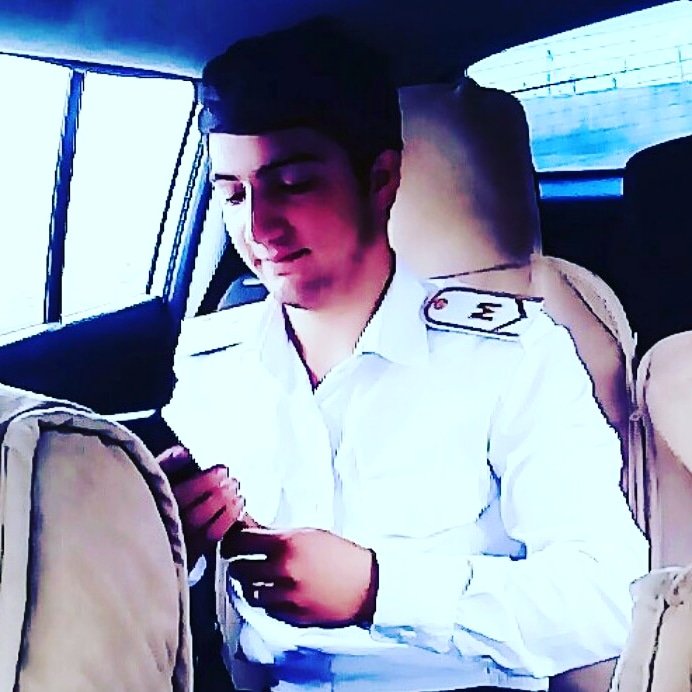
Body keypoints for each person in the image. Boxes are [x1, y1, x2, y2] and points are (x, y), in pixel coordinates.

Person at [160, 18, 647, 691]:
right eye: (233, 194)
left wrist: (379, 590)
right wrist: (172, 537)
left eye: (293, 183)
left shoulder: (515, 356)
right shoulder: (211, 358)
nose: (259, 226)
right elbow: (196, 588)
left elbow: (610, 599)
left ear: (381, 178)